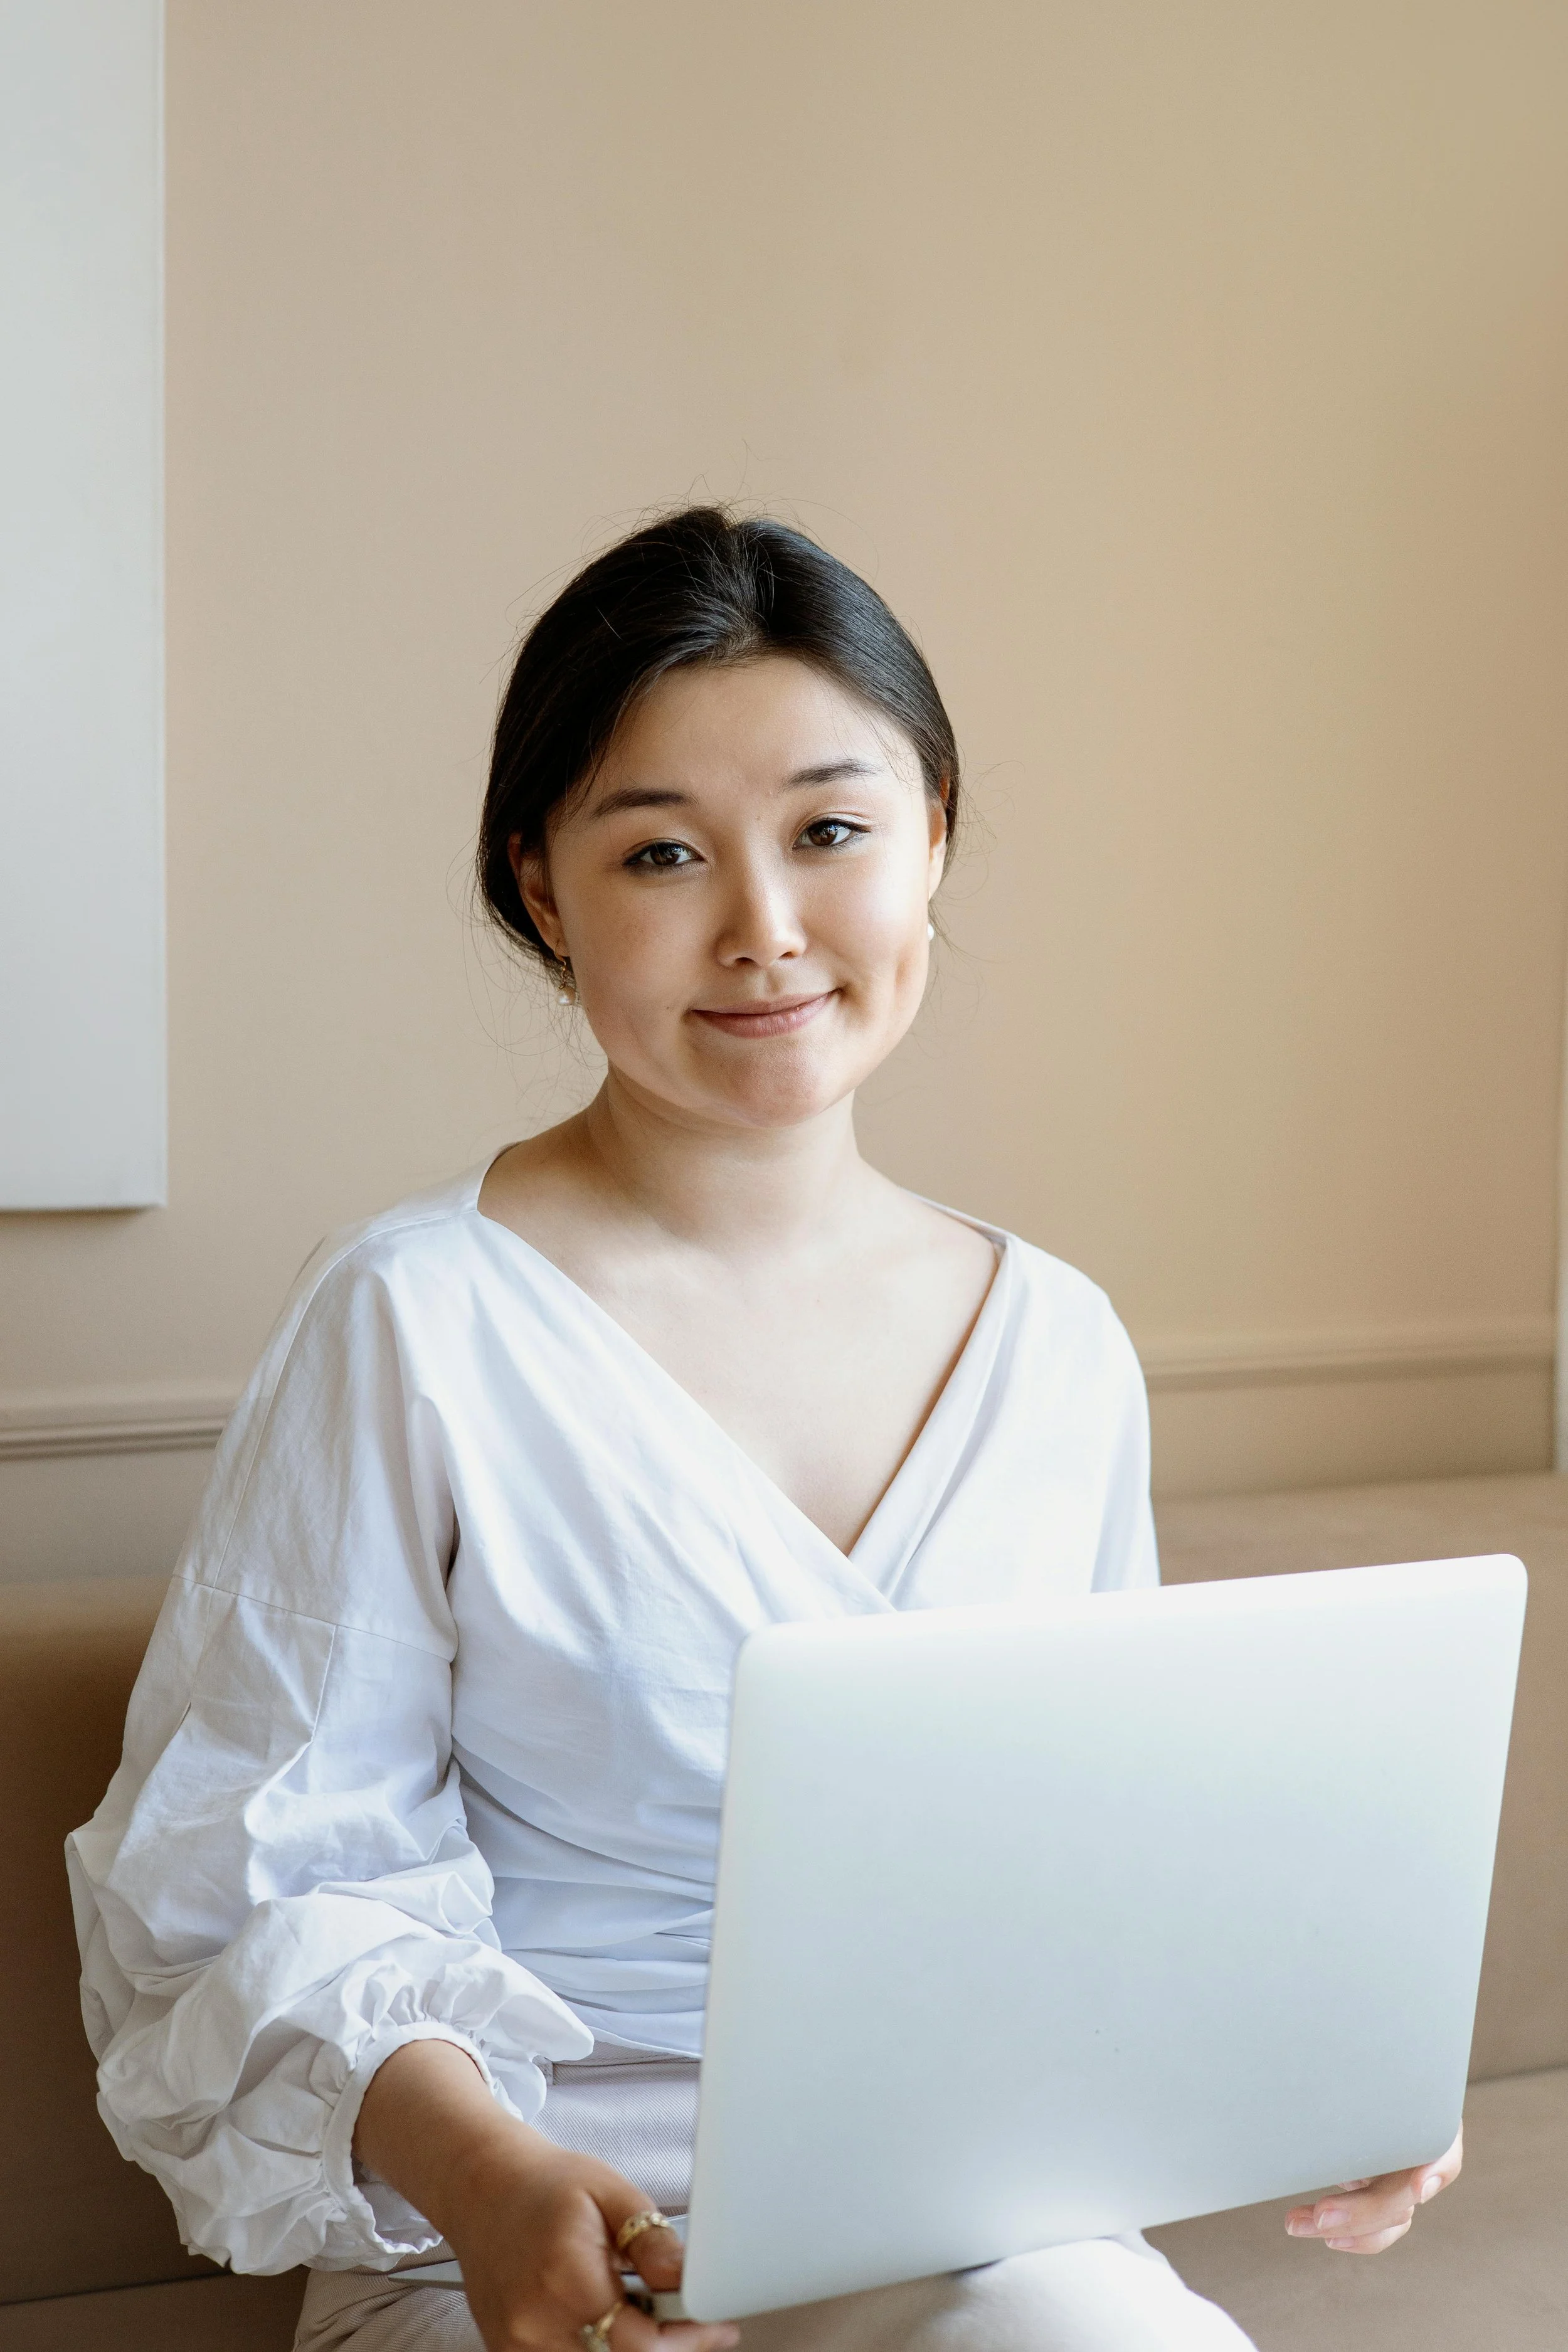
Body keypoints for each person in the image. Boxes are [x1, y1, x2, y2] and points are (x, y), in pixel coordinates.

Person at [69, 509, 1460, 2352]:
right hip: (517, 2244)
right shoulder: (414, 1315)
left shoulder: (1054, 1341)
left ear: (934, 831)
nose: (765, 928)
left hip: (963, 2226)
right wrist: (490, 2185)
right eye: (662, 851)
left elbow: (1104, 1862)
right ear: (544, 890)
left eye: (830, 829)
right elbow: (253, 1884)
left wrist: (1329, 2058)